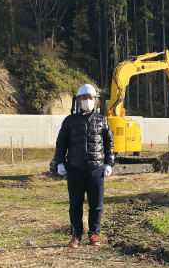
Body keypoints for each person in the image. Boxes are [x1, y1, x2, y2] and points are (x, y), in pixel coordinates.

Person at [53, 83, 114, 248]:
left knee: (96, 206)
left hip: (96, 170)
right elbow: (61, 143)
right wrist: (59, 162)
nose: (87, 100)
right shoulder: (69, 121)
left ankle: (94, 234)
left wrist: (109, 163)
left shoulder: (102, 121)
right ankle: (75, 236)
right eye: (84, 98)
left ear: (95, 100)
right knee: (75, 205)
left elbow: (109, 144)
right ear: (78, 100)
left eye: (90, 98)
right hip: (75, 170)